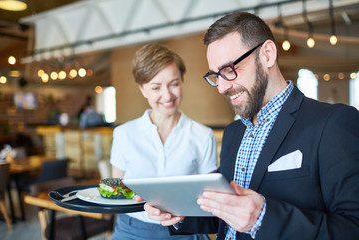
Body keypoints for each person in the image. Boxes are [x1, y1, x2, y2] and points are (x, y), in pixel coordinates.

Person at [143, 12, 359, 240]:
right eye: (216, 76)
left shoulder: (333, 123)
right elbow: (224, 212)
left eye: (229, 70)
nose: (222, 88)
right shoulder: (233, 133)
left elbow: (353, 228)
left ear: (267, 55)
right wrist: (178, 210)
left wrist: (263, 218)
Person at [110, 43, 218, 240]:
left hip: (185, 230)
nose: (167, 95)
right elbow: (116, 188)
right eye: (156, 87)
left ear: (182, 82)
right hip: (133, 230)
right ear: (143, 89)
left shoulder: (203, 135)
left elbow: (209, 198)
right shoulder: (123, 134)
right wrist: (140, 200)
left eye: (174, 84)